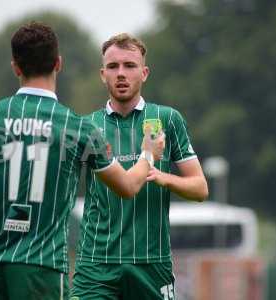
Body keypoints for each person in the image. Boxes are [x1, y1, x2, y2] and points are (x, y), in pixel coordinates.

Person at [0, 23, 164, 300]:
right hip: (42, 267)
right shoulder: (78, 128)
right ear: (58, 64)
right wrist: (148, 154)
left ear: (15, 67)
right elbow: (128, 187)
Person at [71, 33, 209, 300]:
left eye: (129, 66)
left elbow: (200, 188)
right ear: (102, 74)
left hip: (152, 263)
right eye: (113, 67)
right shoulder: (86, 126)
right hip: (96, 265)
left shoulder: (167, 119)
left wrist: (163, 178)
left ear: (144, 73)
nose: (121, 74)